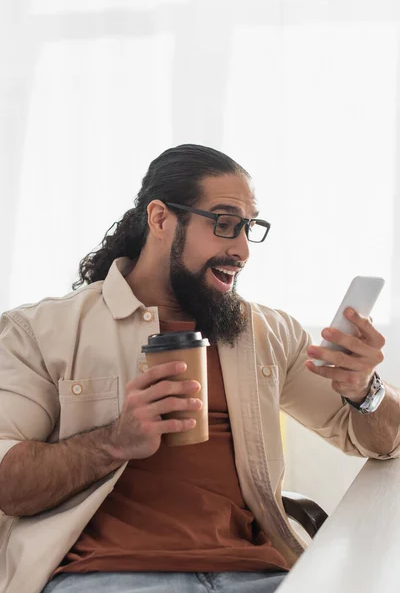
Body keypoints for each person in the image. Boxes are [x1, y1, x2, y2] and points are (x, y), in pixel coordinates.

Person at [0, 144, 399, 593]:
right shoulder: (39, 331)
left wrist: (365, 389)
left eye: (249, 228)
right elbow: (7, 486)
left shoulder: (267, 333)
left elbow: (382, 442)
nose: (243, 249)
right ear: (159, 219)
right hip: (107, 576)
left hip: (257, 575)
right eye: (225, 224)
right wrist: (114, 442)